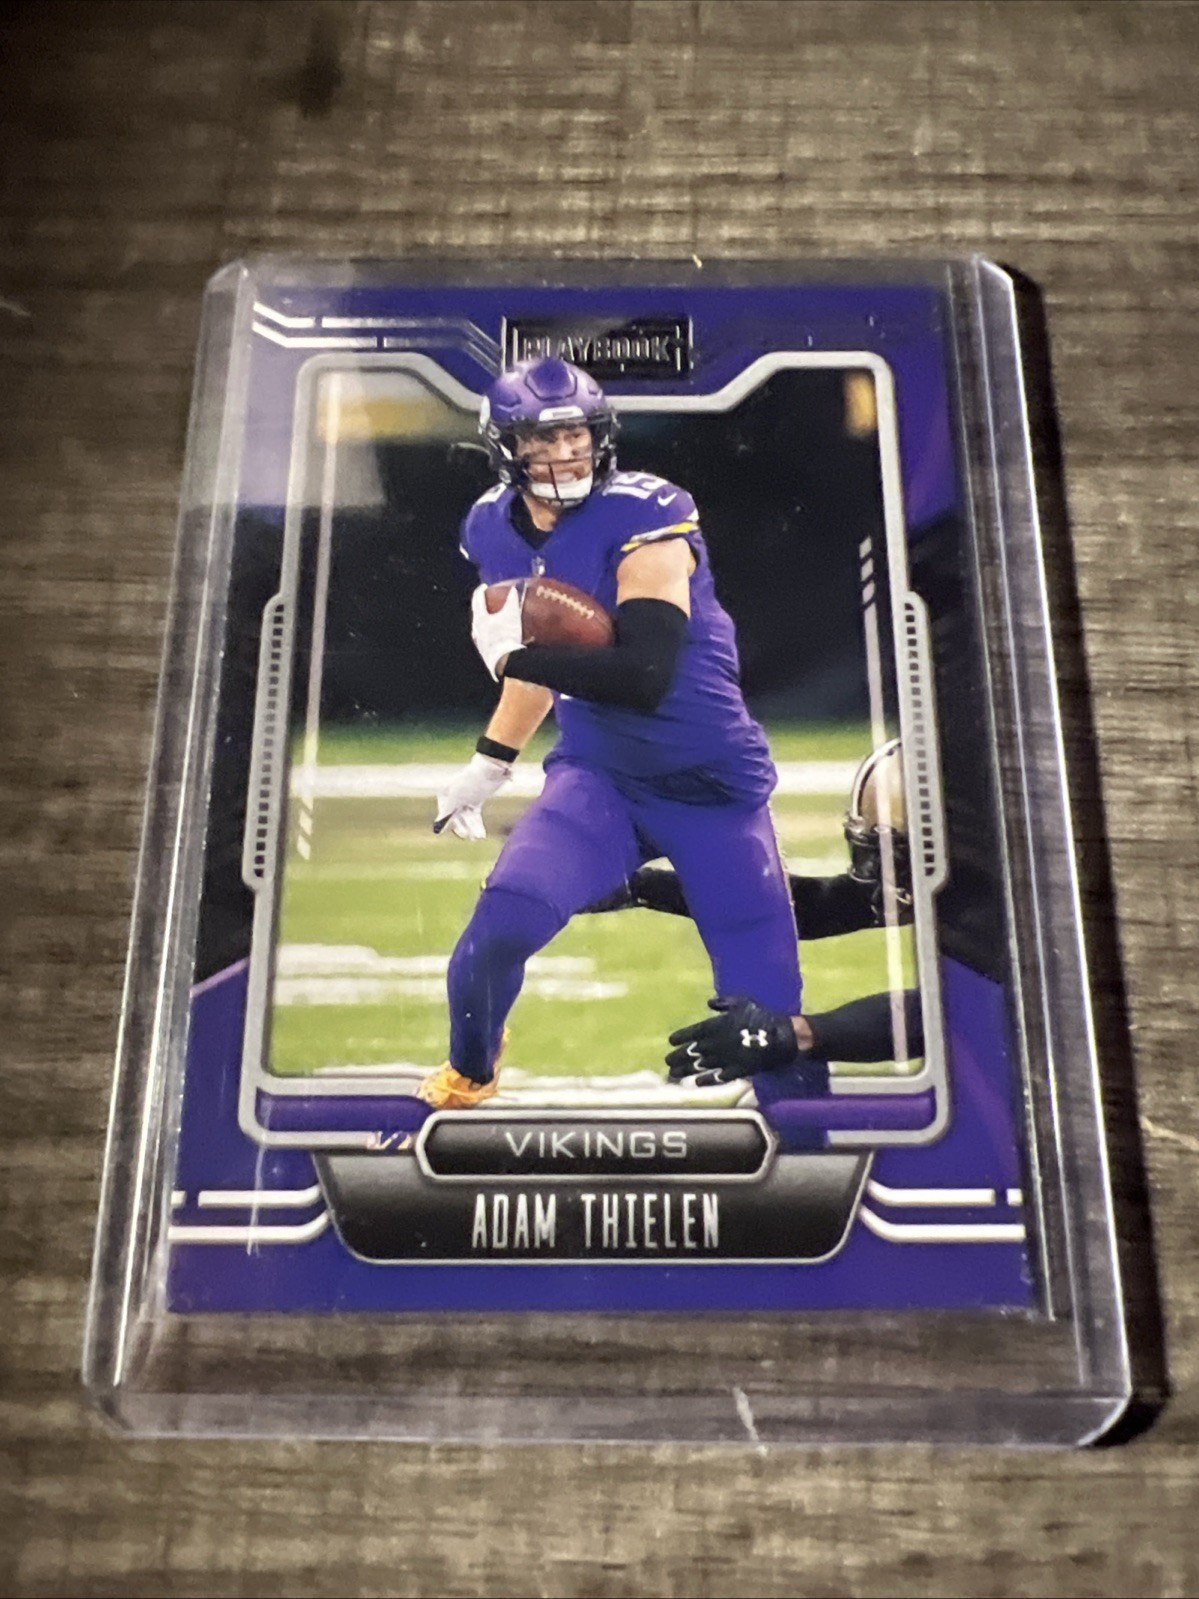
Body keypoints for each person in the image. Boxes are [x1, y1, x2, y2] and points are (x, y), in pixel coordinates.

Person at [421, 355, 803, 1109]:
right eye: (543, 438)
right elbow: (544, 664)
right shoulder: (490, 526)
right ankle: (472, 1072)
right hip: (600, 778)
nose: (566, 453)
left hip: (711, 784)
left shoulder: (646, 513)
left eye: (577, 435)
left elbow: (644, 673)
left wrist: (515, 655)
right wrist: (490, 763)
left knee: (766, 1019)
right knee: (494, 936)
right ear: (505, 446)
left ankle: (800, 1136)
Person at [615, 740, 926, 1087]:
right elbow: (819, 908)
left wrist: (798, 1033)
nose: (881, 871)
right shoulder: (952, 882)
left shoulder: (974, 904)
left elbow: (949, 1015)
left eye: (894, 852)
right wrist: (643, 887)